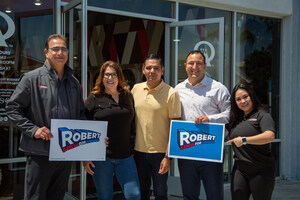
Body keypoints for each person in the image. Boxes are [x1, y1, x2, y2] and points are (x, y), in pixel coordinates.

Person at [6, 34, 86, 200]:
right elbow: (12, 108)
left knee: (57, 196)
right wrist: (33, 130)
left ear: (68, 52)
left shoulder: (73, 82)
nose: (60, 53)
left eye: (63, 49)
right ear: (46, 52)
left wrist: (94, 139)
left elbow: (80, 114)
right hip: (40, 153)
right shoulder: (32, 78)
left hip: (65, 152)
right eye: (55, 49)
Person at [175, 50, 231, 200]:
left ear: (205, 66)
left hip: (210, 150)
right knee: (189, 194)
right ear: (185, 65)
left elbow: (230, 115)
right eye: (191, 63)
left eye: (199, 63)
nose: (195, 67)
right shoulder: (177, 90)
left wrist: (210, 119)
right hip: (186, 150)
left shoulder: (218, 88)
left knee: (214, 195)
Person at [83, 61, 140, 200]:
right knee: (105, 196)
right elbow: (83, 127)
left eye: (113, 75)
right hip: (102, 158)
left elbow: (133, 124)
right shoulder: (94, 98)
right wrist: (85, 156)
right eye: (107, 75)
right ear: (102, 78)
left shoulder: (128, 96)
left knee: (134, 194)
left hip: (126, 156)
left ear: (119, 77)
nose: (110, 78)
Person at [131, 54, 181, 200]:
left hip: (160, 154)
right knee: (142, 192)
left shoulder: (171, 93)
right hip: (138, 152)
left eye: (156, 68)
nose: (152, 71)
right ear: (143, 70)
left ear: (162, 70)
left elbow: (175, 127)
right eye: (148, 68)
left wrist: (168, 157)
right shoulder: (135, 89)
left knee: (160, 193)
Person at [226, 83, 276, 200]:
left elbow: (270, 136)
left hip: (261, 169)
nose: (243, 101)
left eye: (245, 97)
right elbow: (219, 131)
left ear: (252, 96)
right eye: (238, 99)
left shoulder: (262, 115)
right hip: (240, 169)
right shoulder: (235, 119)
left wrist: (244, 140)